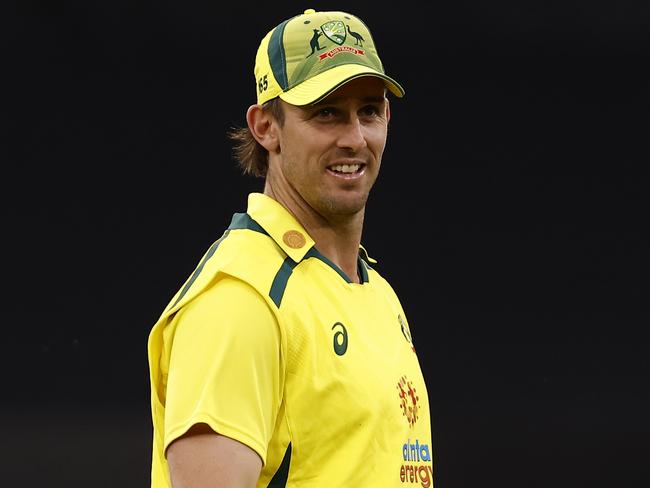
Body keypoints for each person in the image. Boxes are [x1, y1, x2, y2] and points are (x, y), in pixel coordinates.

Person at [147, 8, 434, 488]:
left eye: (368, 110)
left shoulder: (374, 291)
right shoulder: (241, 298)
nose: (354, 137)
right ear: (266, 127)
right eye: (325, 113)